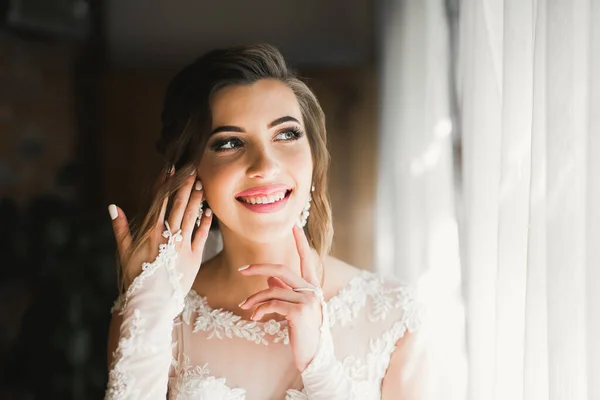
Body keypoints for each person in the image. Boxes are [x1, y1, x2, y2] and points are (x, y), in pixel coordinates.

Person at [105, 44, 426, 400]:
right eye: (229, 143)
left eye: (286, 134)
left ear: (314, 158)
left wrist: (321, 370)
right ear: (192, 173)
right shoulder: (153, 314)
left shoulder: (395, 316)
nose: (265, 166)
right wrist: (149, 310)